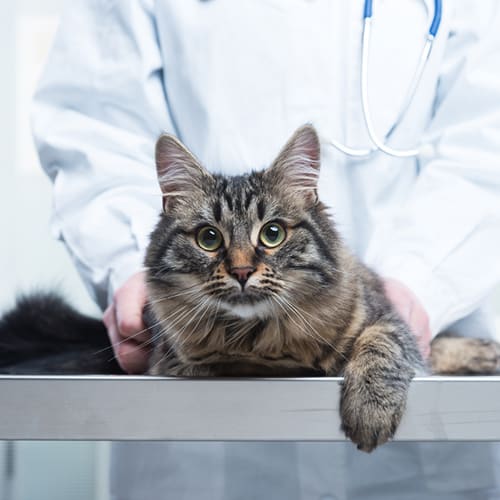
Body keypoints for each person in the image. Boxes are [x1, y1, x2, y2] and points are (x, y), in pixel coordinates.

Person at [32, 1, 500, 499]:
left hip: (421, 445)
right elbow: (94, 122)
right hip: (201, 444)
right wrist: (128, 263)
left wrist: (420, 284)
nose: (241, 267)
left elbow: (484, 142)